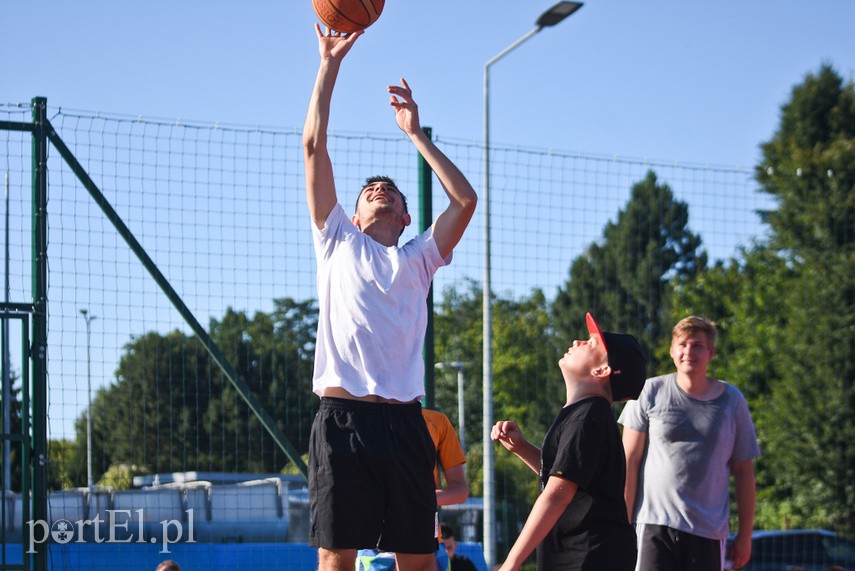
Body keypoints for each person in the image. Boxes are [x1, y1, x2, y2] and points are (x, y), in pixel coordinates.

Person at [303, 22, 478, 571]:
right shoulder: (336, 239)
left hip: (406, 424)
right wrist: (329, 65)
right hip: (343, 419)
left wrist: (416, 134)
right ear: (354, 215)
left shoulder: (419, 257)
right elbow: (313, 145)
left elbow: (465, 199)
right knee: (337, 556)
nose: (380, 190)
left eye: (392, 192)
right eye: (369, 191)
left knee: (417, 561)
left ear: (405, 217)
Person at [491, 313, 647, 571]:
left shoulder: (587, 418)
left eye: (591, 343)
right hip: (588, 553)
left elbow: (556, 495)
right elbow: (571, 478)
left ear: (602, 370)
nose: (577, 341)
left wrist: (512, 562)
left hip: (589, 556)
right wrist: (523, 448)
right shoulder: (584, 414)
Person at [619, 316, 760, 571]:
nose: (688, 352)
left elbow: (744, 470)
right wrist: (621, 525)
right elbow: (629, 461)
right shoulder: (649, 392)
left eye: (697, 345)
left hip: (707, 532)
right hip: (653, 524)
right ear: (672, 350)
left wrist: (745, 535)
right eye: (682, 344)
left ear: (711, 352)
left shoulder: (732, 401)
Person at [357, 409, 470, 571]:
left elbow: (460, 490)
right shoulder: (364, 416)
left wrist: (415, 498)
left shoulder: (437, 422)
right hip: (377, 545)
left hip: (426, 540)